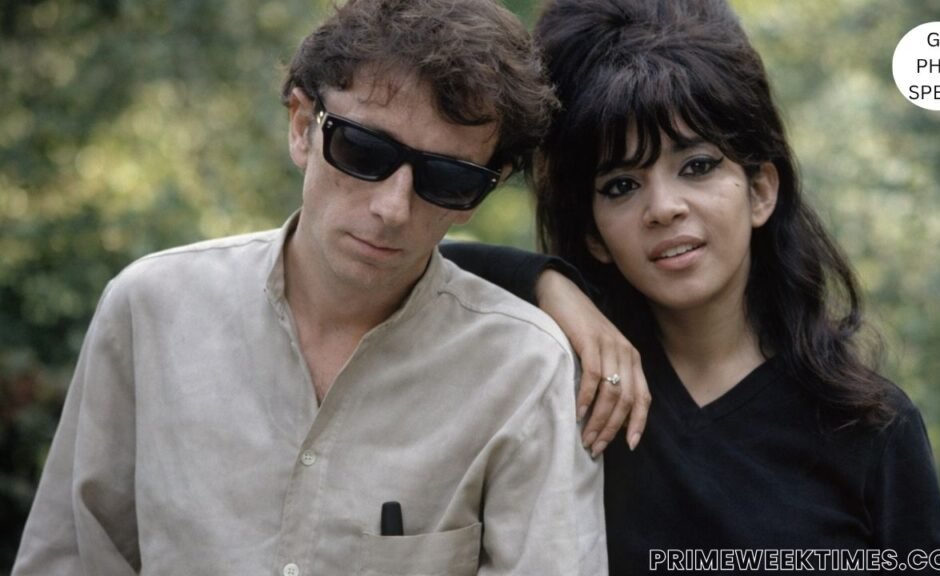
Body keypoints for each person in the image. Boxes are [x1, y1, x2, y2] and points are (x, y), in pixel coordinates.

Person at [11, 0, 608, 574]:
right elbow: (70, 557)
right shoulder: (151, 310)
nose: (393, 208)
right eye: (363, 150)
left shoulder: (522, 370)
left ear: (480, 192)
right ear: (302, 127)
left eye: (447, 178)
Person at [442, 0, 940, 573]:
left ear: (760, 191)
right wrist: (550, 285)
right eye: (621, 185)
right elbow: (423, 264)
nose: (664, 208)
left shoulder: (871, 427)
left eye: (698, 166)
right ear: (593, 236)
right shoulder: (577, 395)